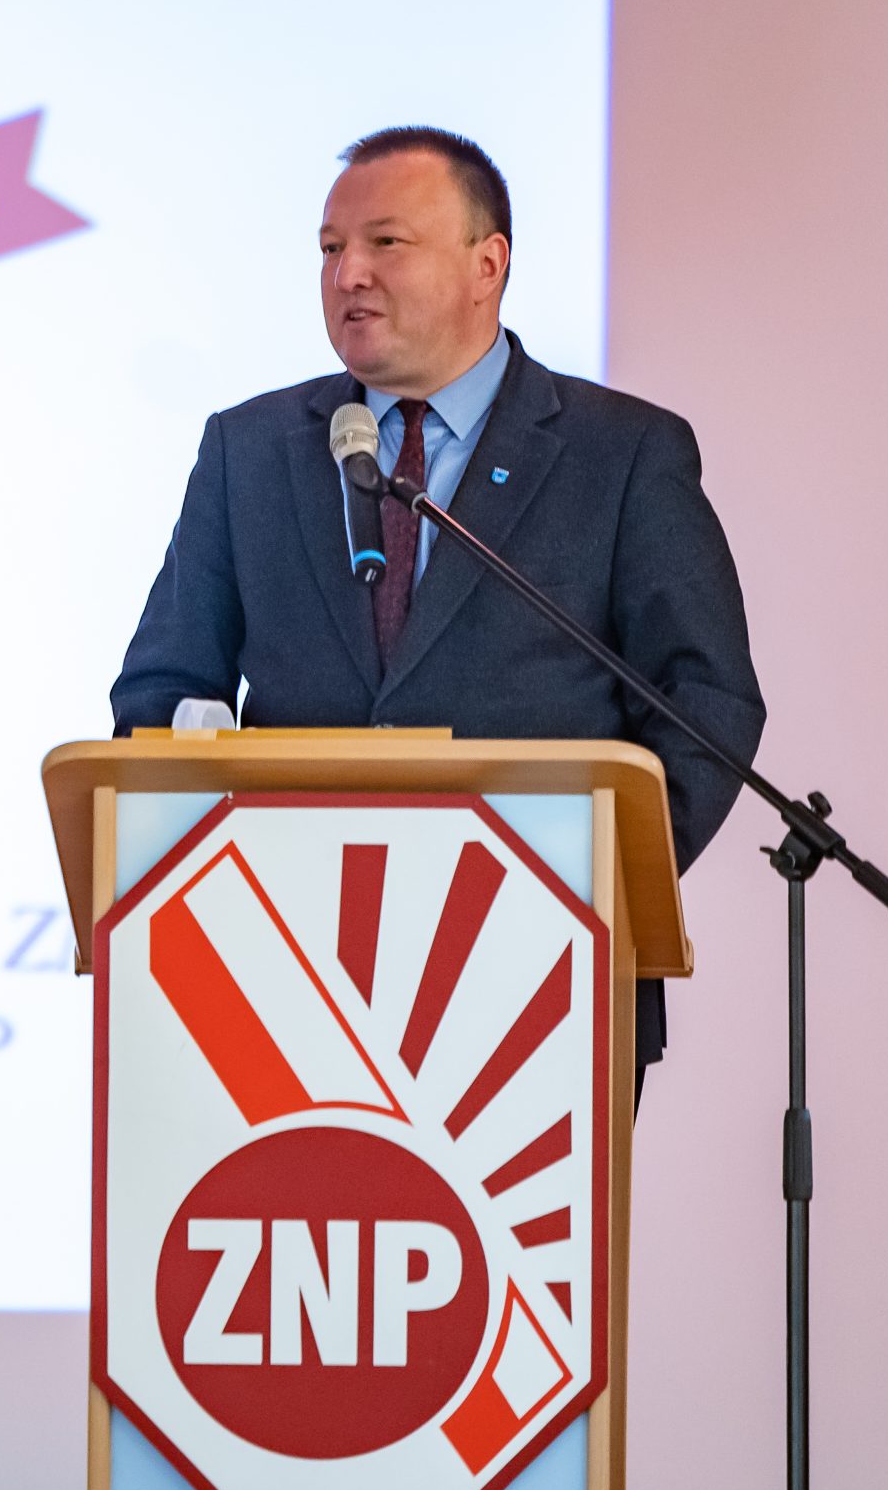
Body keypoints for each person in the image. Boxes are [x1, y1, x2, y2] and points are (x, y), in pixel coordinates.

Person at [110, 126, 766, 1077]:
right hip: (280, 985)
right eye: (331, 248)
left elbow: (706, 700)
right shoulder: (249, 450)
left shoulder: (620, 453)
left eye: (386, 242)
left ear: (486, 265)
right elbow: (161, 690)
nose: (348, 274)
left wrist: (607, 890)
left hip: (541, 982)